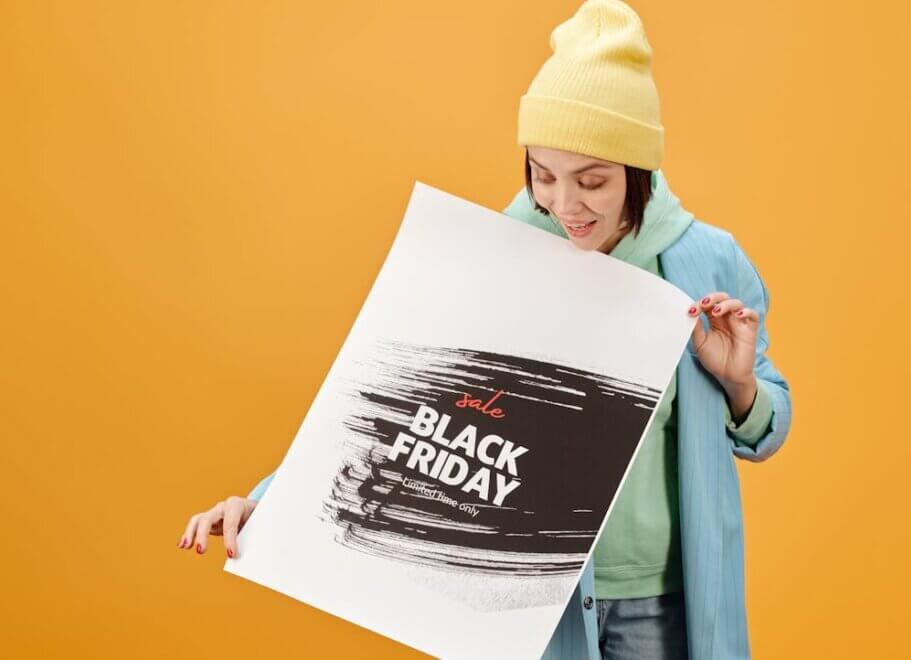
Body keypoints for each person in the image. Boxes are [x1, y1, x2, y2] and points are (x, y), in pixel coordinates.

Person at [176, 1, 792, 658]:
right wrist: (268, 501)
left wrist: (740, 384)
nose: (564, 205)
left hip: (666, 598)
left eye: (592, 182)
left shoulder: (707, 262)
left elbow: (767, 430)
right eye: (543, 176)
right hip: (540, 600)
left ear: (637, 173)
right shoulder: (504, 252)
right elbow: (410, 408)